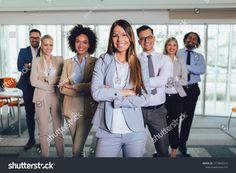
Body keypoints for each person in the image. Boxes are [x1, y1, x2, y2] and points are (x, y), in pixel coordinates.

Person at [91, 19, 150, 157]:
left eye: (124, 34)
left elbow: (145, 98)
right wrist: (126, 92)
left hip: (135, 131)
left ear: (130, 37)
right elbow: (96, 93)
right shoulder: (103, 60)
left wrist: (116, 99)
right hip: (108, 130)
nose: (120, 39)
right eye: (115, 35)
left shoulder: (140, 63)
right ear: (111, 38)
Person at [58, 25, 97, 157]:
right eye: (78, 41)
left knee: (75, 150)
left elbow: (94, 86)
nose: (81, 45)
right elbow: (62, 88)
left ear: (89, 44)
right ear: (73, 43)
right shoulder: (67, 63)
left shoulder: (95, 62)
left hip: (87, 110)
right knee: (77, 147)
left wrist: (74, 86)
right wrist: (83, 89)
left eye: (85, 42)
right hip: (70, 109)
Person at [137, 25, 171, 157]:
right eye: (142, 38)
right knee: (134, 149)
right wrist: (138, 82)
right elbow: (131, 82)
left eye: (149, 37)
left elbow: (162, 81)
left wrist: (139, 82)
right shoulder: (134, 60)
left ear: (154, 38)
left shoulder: (164, 59)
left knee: (163, 149)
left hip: (158, 111)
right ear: (139, 41)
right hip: (137, 110)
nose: (146, 41)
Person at [30, 34, 64, 157]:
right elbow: (33, 81)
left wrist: (46, 79)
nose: (48, 47)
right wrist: (53, 84)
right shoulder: (36, 61)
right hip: (41, 98)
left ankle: (62, 158)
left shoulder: (59, 60)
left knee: (58, 131)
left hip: (56, 97)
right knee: (43, 132)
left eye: (51, 45)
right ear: (41, 45)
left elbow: (62, 79)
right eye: (45, 45)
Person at [177, 32, 206, 157]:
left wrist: (184, 66)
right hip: (178, 88)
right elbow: (174, 69)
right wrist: (191, 68)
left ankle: (182, 144)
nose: (191, 40)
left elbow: (201, 70)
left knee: (187, 119)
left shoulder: (200, 56)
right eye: (189, 38)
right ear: (185, 40)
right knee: (172, 117)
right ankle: (170, 143)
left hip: (192, 90)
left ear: (197, 43)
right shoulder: (177, 52)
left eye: (194, 39)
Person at [163, 37, 187, 158]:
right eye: (169, 45)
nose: (172, 47)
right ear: (166, 47)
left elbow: (184, 80)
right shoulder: (161, 59)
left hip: (177, 98)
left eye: (174, 45)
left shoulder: (180, 61)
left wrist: (174, 79)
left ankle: (173, 152)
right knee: (162, 126)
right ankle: (162, 150)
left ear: (177, 47)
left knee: (174, 125)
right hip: (163, 97)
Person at [17, 29, 41, 150]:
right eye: (32, 37)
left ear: (40, 38)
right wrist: (31, 65)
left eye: (37, 37)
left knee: (42, 115)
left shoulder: (44, 51)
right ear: (29, 38)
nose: (34, 39)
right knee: (29, 115)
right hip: (27, 88)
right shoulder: (23, 51)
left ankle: (42, 140)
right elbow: (21, 69)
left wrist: (29, 64)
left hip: (40, 88)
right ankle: (31, 139)